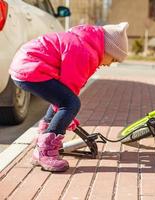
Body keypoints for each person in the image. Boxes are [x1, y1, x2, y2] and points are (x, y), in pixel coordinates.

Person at [9, 22, 129, 172]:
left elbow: (67, 90)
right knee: (71, 103)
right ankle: (44, 151)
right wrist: (67, 117)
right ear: (108, 49)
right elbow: (69, 87)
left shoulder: (84, 44)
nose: (111, 64)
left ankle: (44, 138)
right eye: (114, 59)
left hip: (25, 65)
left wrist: (65, 116)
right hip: (31, 67)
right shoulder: (84, 51)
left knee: (65, 101)